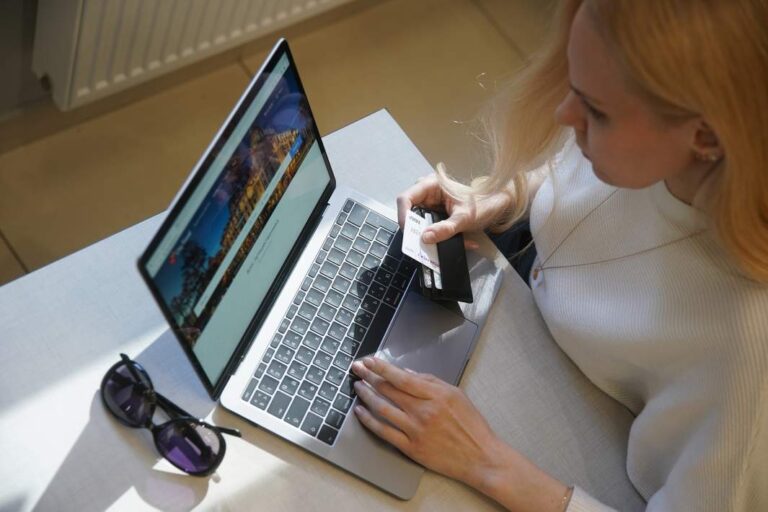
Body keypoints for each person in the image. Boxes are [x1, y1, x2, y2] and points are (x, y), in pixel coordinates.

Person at [349, 0, 768, 510]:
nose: (563, 116)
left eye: (597, 111)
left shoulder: (747, 358)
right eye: (573, 79)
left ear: (706, 135)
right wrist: (501, 199)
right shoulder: (656, 145)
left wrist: (484, 460)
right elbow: (576, 180)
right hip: (521, 308)